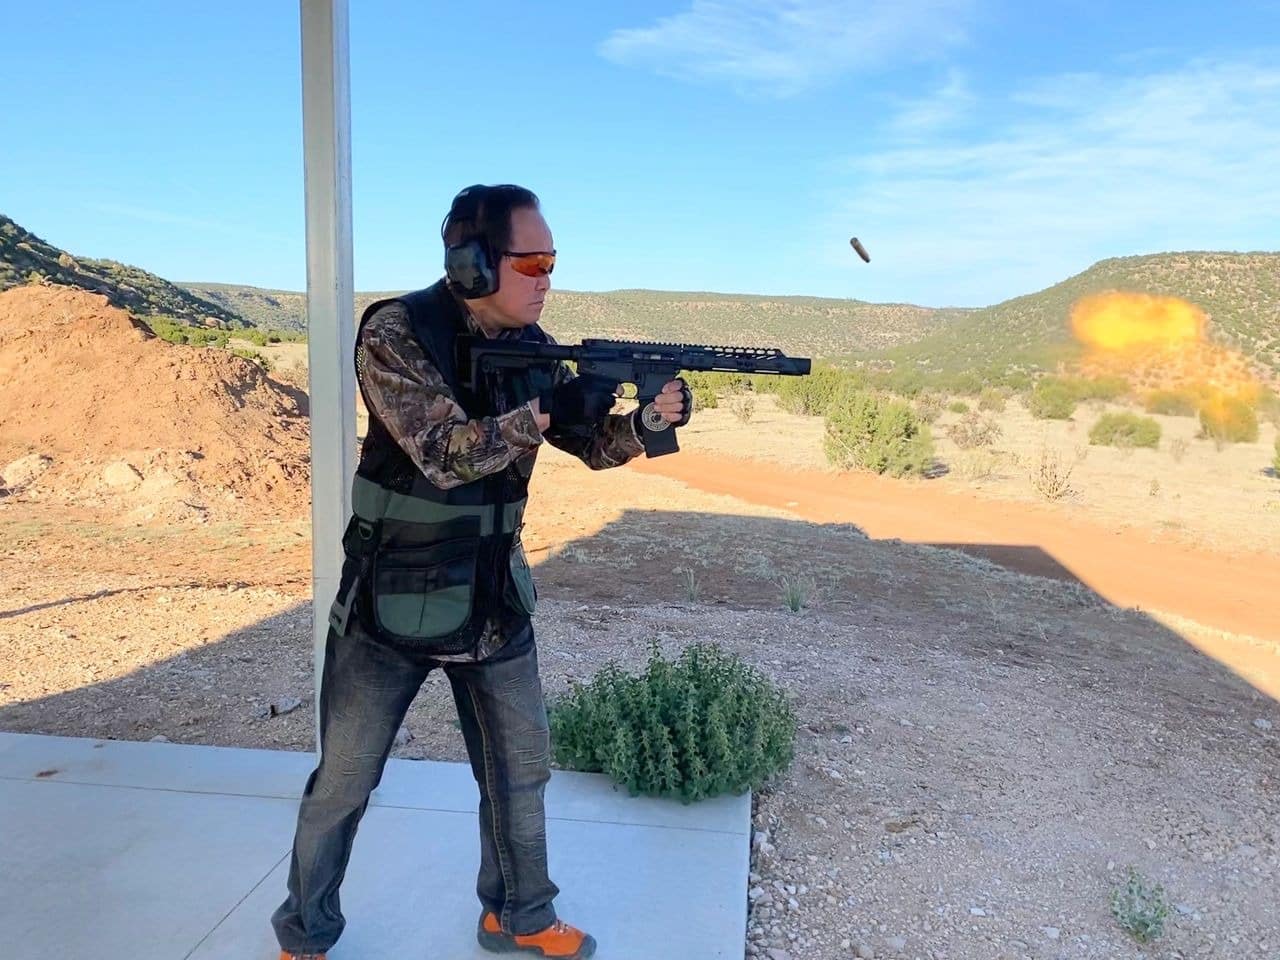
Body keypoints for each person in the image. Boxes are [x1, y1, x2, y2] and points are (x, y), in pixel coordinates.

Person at [271, 183, 694, 960]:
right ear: (470, 265)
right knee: (345, 783)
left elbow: (594, 446)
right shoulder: (397, 332)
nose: (546, 277)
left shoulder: (533, 348)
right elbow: (442, 456)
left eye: (552, 261)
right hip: (390, 602)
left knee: (522, 774)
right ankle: (305, 935)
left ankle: (519, 916)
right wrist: (543, 412)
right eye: (530, 260)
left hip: (494, 594)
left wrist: (648, 420)